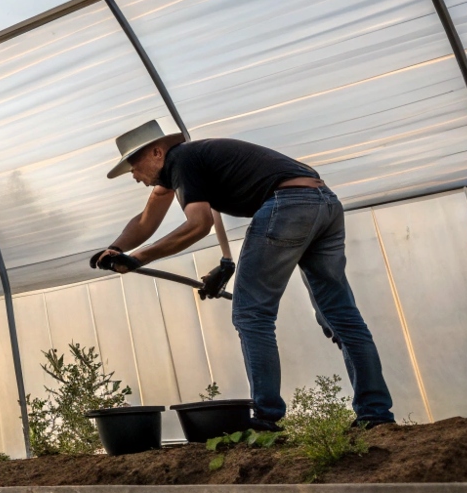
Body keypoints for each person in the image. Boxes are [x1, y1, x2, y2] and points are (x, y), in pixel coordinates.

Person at [90, 120, 395, 429]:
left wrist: (137, 258)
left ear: (157, 152)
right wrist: (115, 249)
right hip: (324, 203)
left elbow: (198, 225)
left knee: (252, 314)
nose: (132, 174)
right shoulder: (190, 162)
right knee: (341, 315)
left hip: (287, 204)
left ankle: (266, 418)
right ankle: (376, 413)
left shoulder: (181, 161)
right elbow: (145, 221)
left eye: (134, 164)